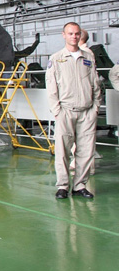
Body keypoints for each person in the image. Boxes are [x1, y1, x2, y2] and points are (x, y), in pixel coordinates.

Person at [45, 21, 102, 200]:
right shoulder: (56, 58)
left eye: (77, 34)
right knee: (62, 151)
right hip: (66, 111)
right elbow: (51, 87)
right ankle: (62, 185)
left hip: (87, 112)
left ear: (80, 36)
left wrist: (95, 108)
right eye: (70, 34)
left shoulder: (88, 57)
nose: (74, 37)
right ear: (64, 35)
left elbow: (96, 84)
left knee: (86, 151)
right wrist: (57, 110)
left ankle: (79, 185)